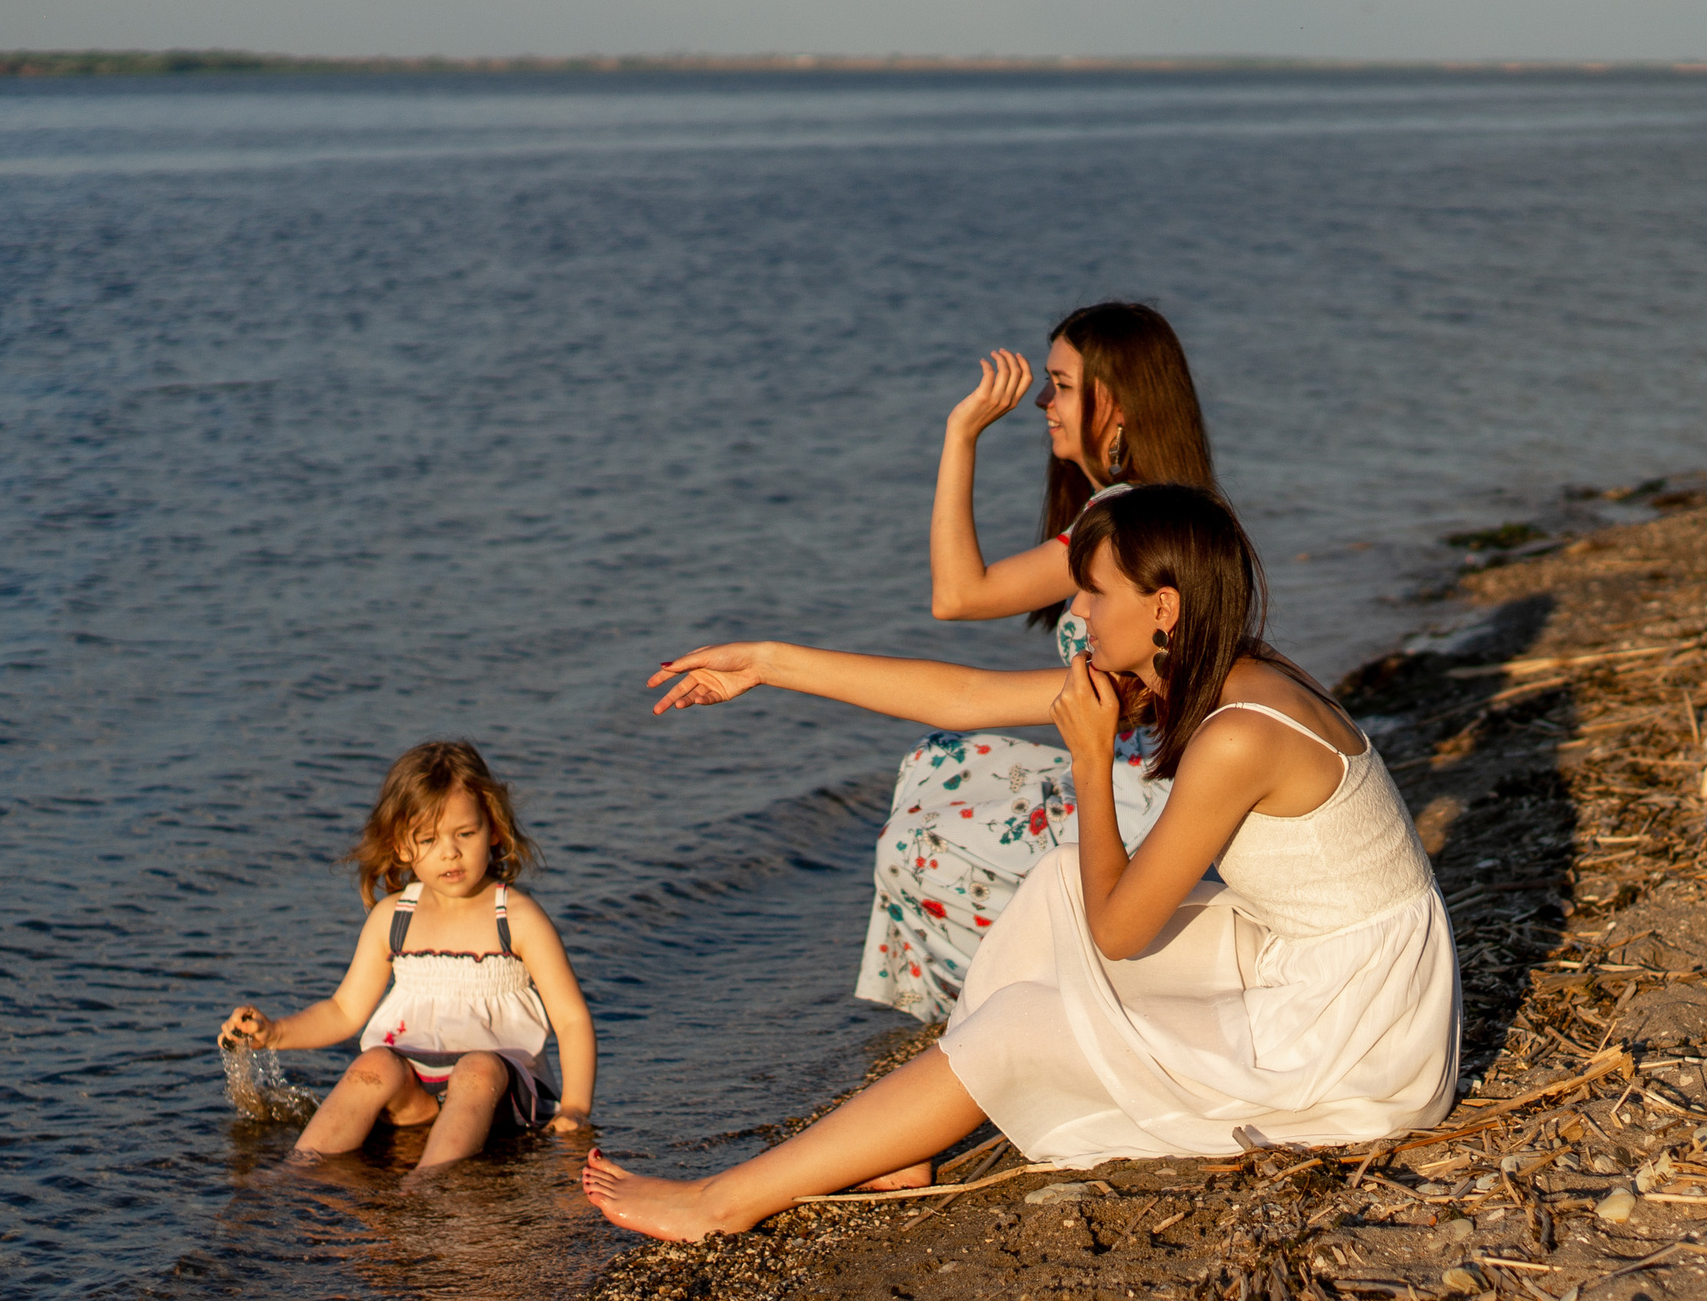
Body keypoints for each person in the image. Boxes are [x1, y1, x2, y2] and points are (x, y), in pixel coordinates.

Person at [588, 485, 1456, 1242]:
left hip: (1357, 1031)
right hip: (1317, 959)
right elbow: (962, 696)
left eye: (1094, 592)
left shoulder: (1239, 732)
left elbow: (1117, 934)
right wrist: (771, 664)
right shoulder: (1212, 669)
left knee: (1022, 1025)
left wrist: (1090, 762)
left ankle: (722, 1200)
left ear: (1163, 607)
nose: (1076, 613)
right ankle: (909, 1138)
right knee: (1053, 885)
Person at [863, 303, 1224, 1023]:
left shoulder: (1124, 519)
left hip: (1138, 793)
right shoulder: (1147, 507)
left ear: (1112, 403)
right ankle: (1003, 1001)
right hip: (1137, 767)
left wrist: (960, 435)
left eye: (1059, 385)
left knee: (917, 837)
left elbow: (957, 596)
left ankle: (1012, 1007)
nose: (1042, 402)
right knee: (939, 766)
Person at [222, 741, 596, 1170]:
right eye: (428, 839)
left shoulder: (515, 917)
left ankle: (428, 1182)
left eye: (465, 834)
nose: (450, 851)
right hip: (417, 1091)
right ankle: (298, 1175)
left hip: (499, 1093)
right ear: (401, 846)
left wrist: (575, 1108)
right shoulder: (393, 918)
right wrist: (276, 1033)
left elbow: (571, 1019)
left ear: (493, 830)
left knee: (476, 1069)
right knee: (375, 1063)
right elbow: (345, 1010)